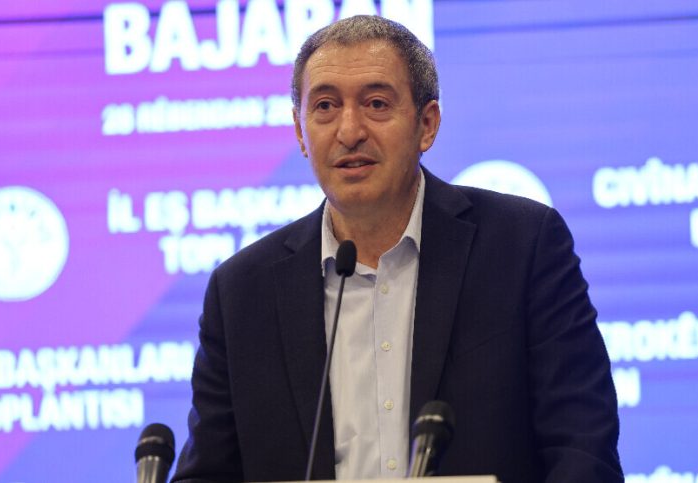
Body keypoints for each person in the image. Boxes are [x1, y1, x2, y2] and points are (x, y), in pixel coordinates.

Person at [172, 15, 623, 483]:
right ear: (300, 132)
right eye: (325, 106)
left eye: (376, 104)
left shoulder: (521, 246)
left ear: (427, 124)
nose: (349, 131)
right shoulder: (242, 292)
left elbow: (582, 449)